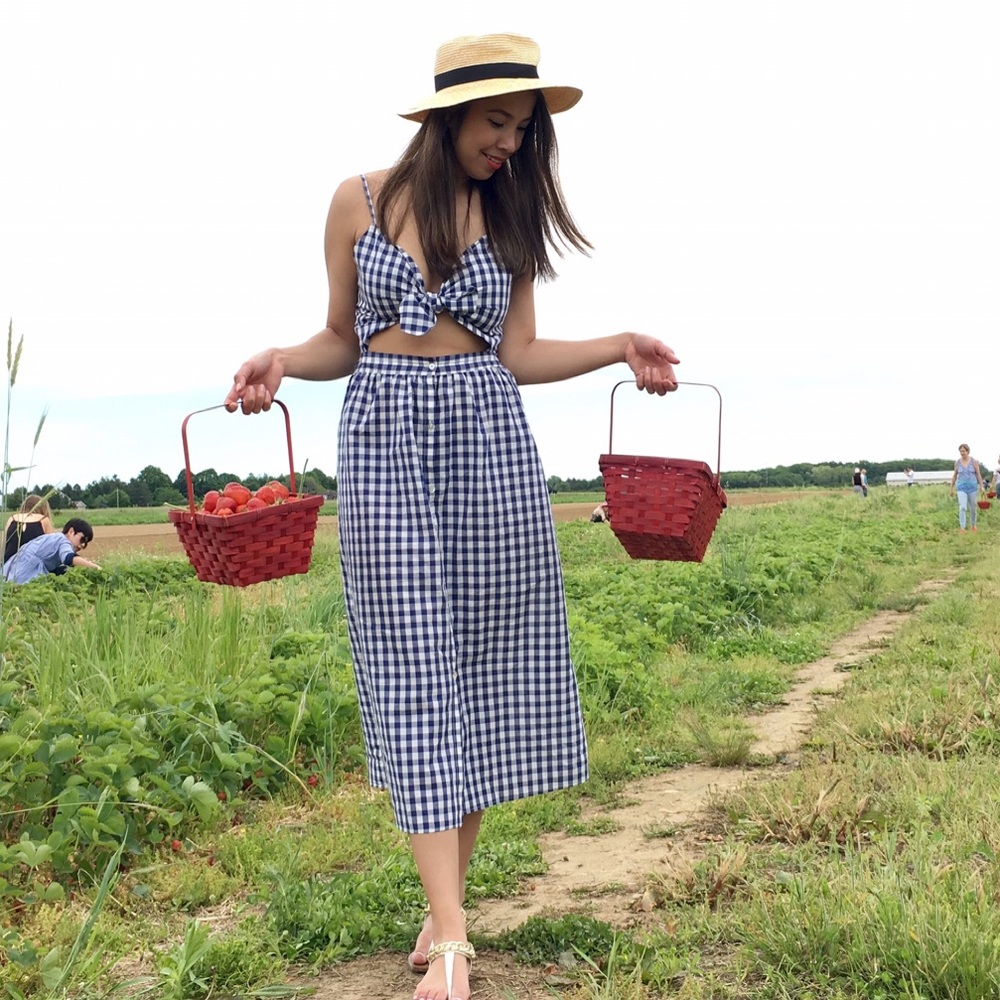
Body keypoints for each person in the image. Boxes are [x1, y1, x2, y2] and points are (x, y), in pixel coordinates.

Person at [223, 33, 679, 1000]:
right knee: (411, 662)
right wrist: (278, 359)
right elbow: (341, 338)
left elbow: (515, 353)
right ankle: (459, 943)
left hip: (490, 451)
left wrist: (616, 345)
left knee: (482, 669)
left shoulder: (509, 216)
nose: (510, 144)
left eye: (523, 129)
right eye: (497, 122)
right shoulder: (359, 197)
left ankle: (443, 915)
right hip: (384, 445)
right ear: (448, 115)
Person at [2, 517, 101, 584]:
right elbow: (68, 558)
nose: (82, 545)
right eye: (82, 539)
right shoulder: (63, 540)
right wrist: (96, 568)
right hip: (24, 573)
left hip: (11, 568)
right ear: (71, 532)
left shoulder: (54, 538)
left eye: (86, 544)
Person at [3, 494, 55, 564]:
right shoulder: (44, 520)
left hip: (9, 567)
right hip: (32, 567)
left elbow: (5, 545)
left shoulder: (12, 519)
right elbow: (51, 549)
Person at [949, 443, 985, 532]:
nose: (962, 453)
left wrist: (982, 486)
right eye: (960, 451)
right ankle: (962, 527)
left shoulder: (974, 461)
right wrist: (951, 488)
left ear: (968, 451)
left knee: (973, 507)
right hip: (961, 487)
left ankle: (973, 525)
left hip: (972, 487)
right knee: (962, 507)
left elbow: (978, 474)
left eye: (963, 451)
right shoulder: (957, 463)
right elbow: (954, 476)